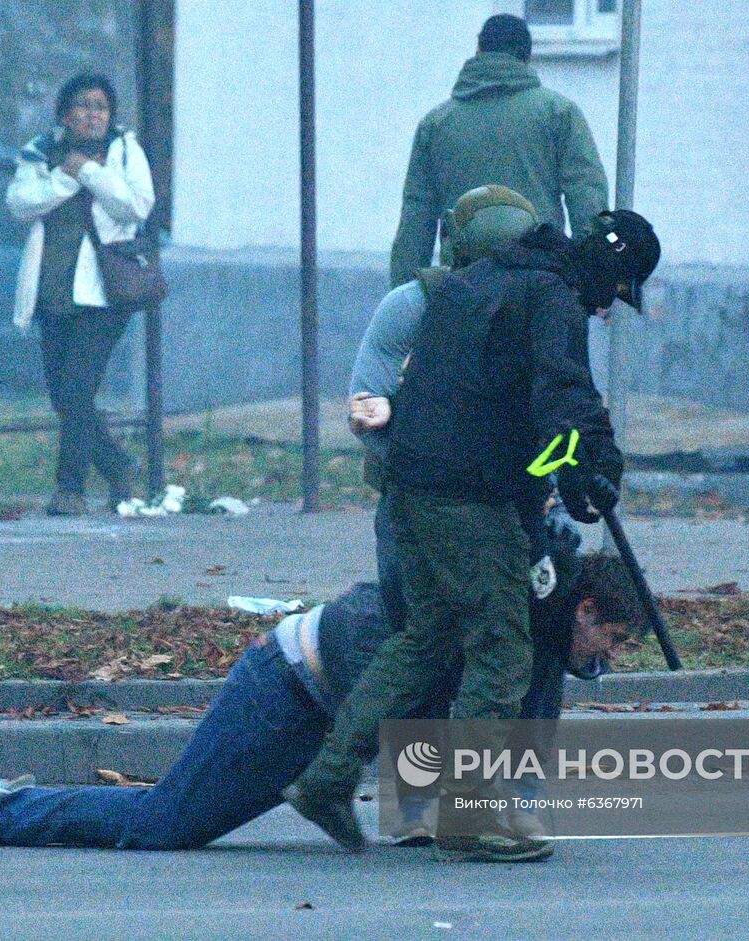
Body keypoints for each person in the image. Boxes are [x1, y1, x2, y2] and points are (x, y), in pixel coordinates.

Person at [285, 208, 661, 863]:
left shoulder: (482, 278)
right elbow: (563, 395)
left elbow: (501, 402)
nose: (605, 311)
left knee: (426, 639)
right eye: (613, 296)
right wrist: (598, 463)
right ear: (607, 269)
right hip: (467, 499)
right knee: (503, 649)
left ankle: (325, 780)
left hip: (410, 486)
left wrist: (570, 470)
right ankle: (469, 817)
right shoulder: (552, 298)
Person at [0, 536, 647, 852]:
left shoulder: (543, 649)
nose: (608, 659)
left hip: (332, 710)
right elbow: (393, 697)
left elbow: (516, 759)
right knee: (161, 825)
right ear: (583, 610)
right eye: (612, 639)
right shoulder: (485, 612)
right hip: (289, 687)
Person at [351, 184, 542, 632]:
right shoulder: (413, 306)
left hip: (495, 496)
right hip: (424, 496)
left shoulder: (540, 307)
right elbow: (366, 411)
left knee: (428, 638)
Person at [7, 72, 155, 516]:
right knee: (64, 396)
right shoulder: (40, 152)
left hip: (105, 293)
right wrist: (66, 179)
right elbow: (20, 203)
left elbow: (135, 206)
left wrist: (89, 171)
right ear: (65, 114)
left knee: (75, 389)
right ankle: (116, 466)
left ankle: (69, 489)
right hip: (53, 292)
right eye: (84, 105)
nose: (93, 114)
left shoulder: (124, 150)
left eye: (101, 107)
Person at [389, 14, 609, 287]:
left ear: (479, 50)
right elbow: (586, 198)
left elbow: (416, 220)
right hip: (540, 283)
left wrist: (402, 294)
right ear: (527, 58)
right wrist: (597, 279)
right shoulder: (559, 114)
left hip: (462, 288)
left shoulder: (436, 125)